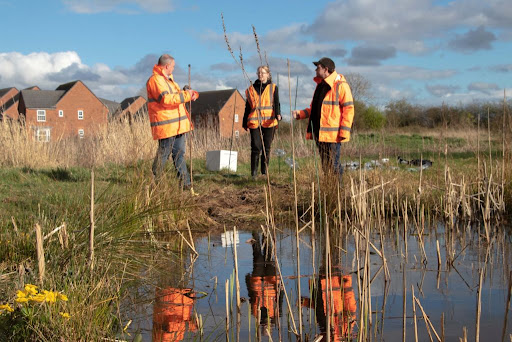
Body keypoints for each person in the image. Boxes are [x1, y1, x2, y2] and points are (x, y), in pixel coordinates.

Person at [292, 57, 354, 184]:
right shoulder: (321, 86)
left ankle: (338, 190)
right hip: (320, 134)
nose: (315, 69)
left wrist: (344, 132)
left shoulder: (341, 85)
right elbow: (314, 109)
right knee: (326, 165)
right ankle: (330, 188)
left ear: (326, 69)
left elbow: (349, 109)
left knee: (334, 165)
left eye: (318, 67)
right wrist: (300, 114)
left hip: (333, 135)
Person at [147, 54, 199, 190]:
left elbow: (177, 97)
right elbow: (166, 99)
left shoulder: (170, 81)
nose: (174, 69)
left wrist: (187, 92)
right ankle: (154, 184)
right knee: (163, 155)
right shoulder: (155, 80)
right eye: (173, 66)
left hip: (178, 126)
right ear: (166, 66)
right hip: (166, 126)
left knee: (179, 155)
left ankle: (185, 185)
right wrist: (186, 95)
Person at [243, 66, 281, 179]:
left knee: (266, 147)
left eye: (263, 73)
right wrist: (244, 122)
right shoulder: (250, 89)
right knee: (255, 146)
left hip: (269, 121)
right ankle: (254, 174)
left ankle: (264, 173)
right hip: (254, 121)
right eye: (259, 73)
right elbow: (247, 107)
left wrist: (278, 114)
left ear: (268, 74)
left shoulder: (273, 87)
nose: (261, 75)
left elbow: (277, 102)